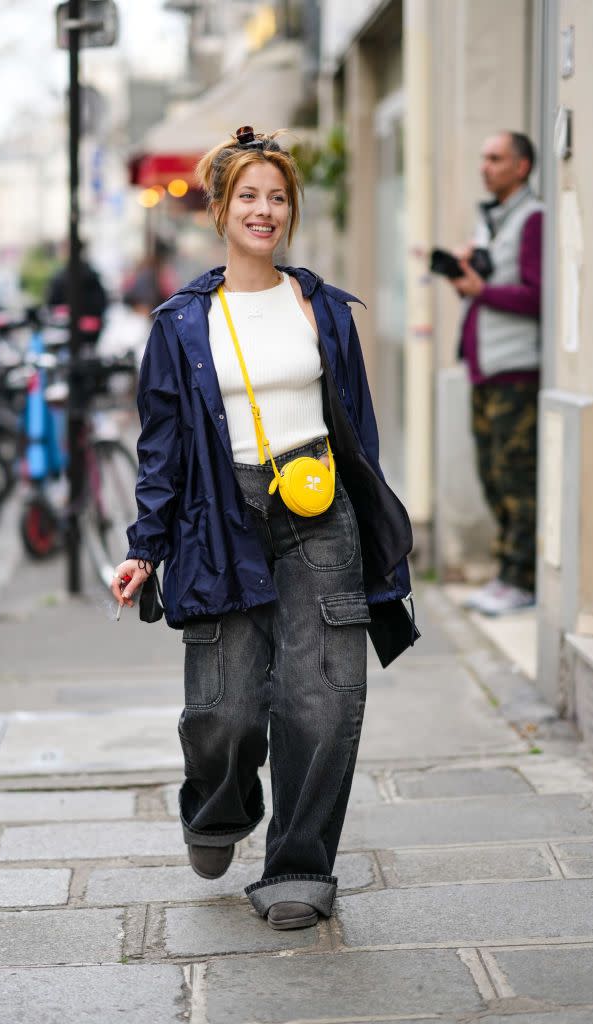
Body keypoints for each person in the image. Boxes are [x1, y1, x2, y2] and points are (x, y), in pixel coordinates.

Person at [110, 126, 413, 932]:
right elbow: (163, 444)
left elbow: (358, 432)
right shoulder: (181, 324)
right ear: (219, 208)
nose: (265, 210)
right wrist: (145, 547)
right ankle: (217, 803)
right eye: (248, 195)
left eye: (277, 198)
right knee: (226, 709)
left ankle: (300, 868)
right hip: (219, 514)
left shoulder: (321, 308)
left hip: (318, 511)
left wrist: (375, 529)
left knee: (322, 699)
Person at [450, 131, 543, 616]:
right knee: (492, 476)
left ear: (522, 167)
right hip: (487, 371)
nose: (485, 166)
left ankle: (520, 578)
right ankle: (507, 573)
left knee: (516, 479)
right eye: (484, 157)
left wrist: (480, 290)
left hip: (516, 372)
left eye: (496, 158)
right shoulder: (492, 218)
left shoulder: (533, 220)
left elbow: (537, 294)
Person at [45, 241, 108, 343]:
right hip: (88, 332)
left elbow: (51, 304)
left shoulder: (60, 276)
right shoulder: (92, 275)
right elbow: (102, 303)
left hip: (69, 331)